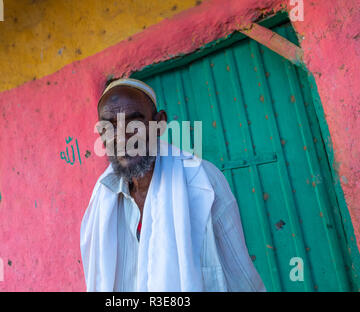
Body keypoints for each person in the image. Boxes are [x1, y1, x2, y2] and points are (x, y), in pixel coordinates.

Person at [80, 78, 266, 292]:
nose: (122, 138)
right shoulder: (102, 197)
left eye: (134, 124)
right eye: (109, 127)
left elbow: (240, 275)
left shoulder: (202, 181)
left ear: (159, 123)